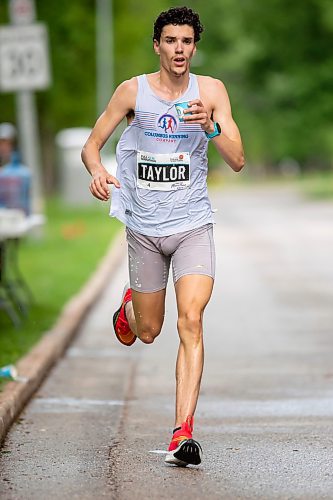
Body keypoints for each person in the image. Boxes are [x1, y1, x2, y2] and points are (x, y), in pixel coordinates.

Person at [81, 6, 245, 467]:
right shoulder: (132, 91)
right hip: (145, 228)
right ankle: (130, 308)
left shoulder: (211, 92)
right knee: (149, 331)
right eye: (171, 41)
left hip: (193, 223)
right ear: (158, 45)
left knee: (191, 320)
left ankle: (183, 432)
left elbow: (238, 158)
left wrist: (209, 127)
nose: (179, 49)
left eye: (187, 41)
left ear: (195, 46)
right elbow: (92, 145)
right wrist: (98, 173)